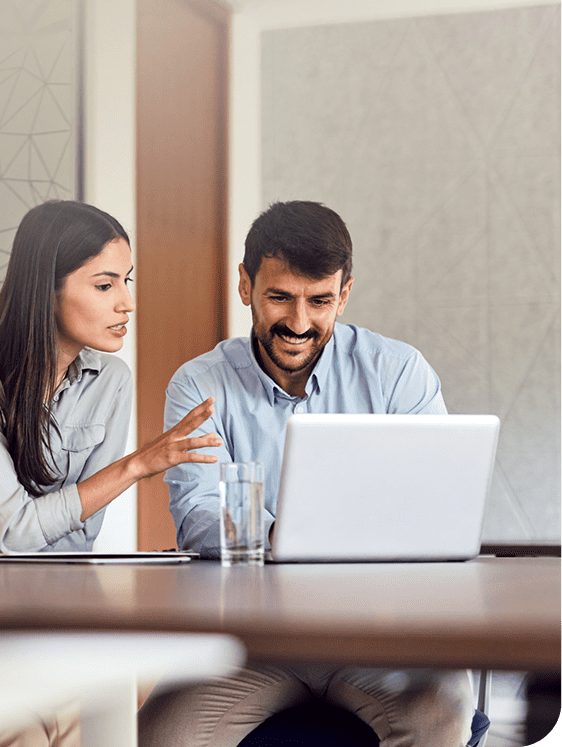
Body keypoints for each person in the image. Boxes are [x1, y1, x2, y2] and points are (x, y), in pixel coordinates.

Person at [138, 201, 477, 747]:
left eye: (319, 301)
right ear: (246, 285)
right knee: (164, 731)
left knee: (441, 715)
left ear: (343, 294)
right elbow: (198, 515)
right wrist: (290, 537)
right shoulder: (199, 384)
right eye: (280, 297)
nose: (298, 324)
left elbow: (431, 511)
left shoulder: (398, 373)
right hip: (252, 645)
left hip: (379, 637)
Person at [0, 199, 221, 567]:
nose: (128, 303)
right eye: (105, 285)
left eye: (127, 280)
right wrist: (134, 466)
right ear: (47, 291)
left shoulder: (112, 381)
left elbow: (79, 536)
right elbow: (16, 531)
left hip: (28, 565)